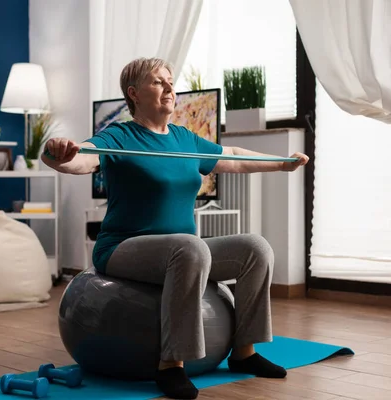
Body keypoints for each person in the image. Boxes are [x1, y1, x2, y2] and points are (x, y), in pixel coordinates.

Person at [42, 57, 309, 399]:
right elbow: (81, 160)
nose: (169, 87)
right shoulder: (119, 135)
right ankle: (171, 366)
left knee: (254, 249)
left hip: (182, 251)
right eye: (158, 81)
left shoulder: (184, 139)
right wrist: (58, 155)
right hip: (124, 247)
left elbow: (234, 156)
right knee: (190, 247)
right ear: (134, 93)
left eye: (170, 80)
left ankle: (245, 352)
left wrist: (282, 165)